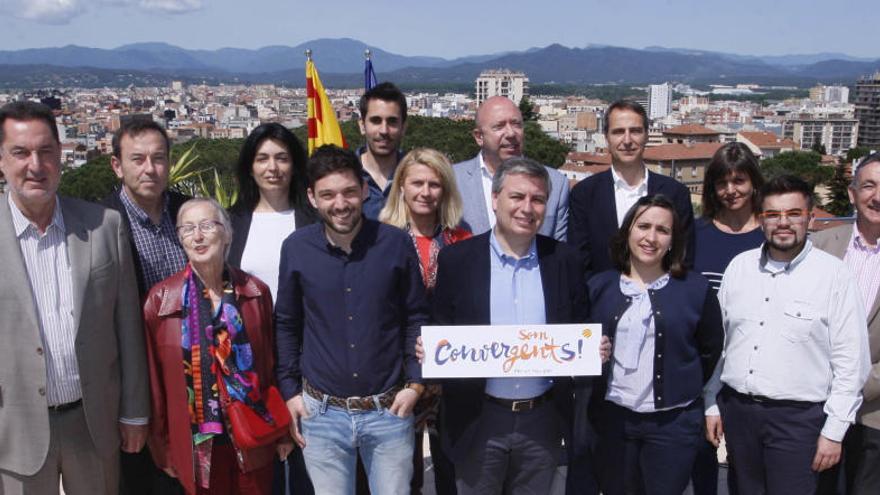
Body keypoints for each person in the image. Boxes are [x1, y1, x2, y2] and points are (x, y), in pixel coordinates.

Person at [430, 157, 609, 494]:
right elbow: (442, 327)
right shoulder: (457, 261)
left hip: (542, 420)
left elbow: (580, 325)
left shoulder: (565, 260)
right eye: (517, 197)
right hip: (478, 418)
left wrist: (596, 346)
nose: (527, 208)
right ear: (495, 200)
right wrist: (431, 349)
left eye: (538, 199)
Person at [0, 101, 149, 494]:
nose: (35, 164)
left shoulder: (104, 226)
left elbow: (128, 326)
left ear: (60, 156)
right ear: (1, 161)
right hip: (14, 429)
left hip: (92, 421)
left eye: (46, 151)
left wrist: (135, 412)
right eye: (20, 152)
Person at [275, 145, 429, 494]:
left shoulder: (395, 244)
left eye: (348, 192)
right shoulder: (296, 248)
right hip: (322, 413)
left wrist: (415, 384)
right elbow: (286, 323)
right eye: (328, 195)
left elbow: (416, 315)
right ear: (312, 197)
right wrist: (289, 392)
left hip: (389, 411)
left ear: (363, 189)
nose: (340, 204)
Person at [705, 175, 871, 494]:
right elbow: (720, 346)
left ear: (809, 217)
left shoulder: (834, 276)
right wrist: (711, 402)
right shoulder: (739, 268)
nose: (783, 223)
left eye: (793, 213)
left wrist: (834, 431)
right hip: (739, 415)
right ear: (760, 219)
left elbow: (852, 363)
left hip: (800, 423)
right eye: (773, 215)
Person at [143, 198, 287, 495]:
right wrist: (162, 446)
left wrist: (281, 431)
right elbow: (155, 384)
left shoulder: (255, 292)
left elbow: (271, 365)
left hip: (253, 432)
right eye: (188, 229)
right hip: (197, 441)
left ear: (227, 234)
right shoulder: (160, 301)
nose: (197, 236)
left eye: (207, 226)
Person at [589, 194, 723, 495]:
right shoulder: (599, 286)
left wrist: (682, 381)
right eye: (643, 226)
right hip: (613, 421)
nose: (651, 237)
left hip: (672, 426)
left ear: (674, 240)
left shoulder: (695, 288)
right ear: (628, 232)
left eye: (662, 230)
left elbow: (710, 348)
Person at [379, 147, 470, 494]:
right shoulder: (379, 238)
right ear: (401, 186)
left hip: (451, 370)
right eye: (417, 182)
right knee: (404, 468)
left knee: (450, 464)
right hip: (399, 368)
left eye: (435, 184)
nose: (426, 192)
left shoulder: (461, 239)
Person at [691, 142, 765, 494]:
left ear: (754, 183)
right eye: (722, 182)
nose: (731, 190)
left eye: (739, 180)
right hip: (702, 367)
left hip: (753, 370)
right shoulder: (695, 234)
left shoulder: (771, 236)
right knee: (702, 465)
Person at [813, 151, 880, 495]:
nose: (878, 196)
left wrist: (855, 385)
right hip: (817, 406)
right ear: (853, 194)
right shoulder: (819, 246)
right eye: (869, 185)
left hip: (873, 413)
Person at [567, 99, 695, 275]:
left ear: (647, 136)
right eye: (618, 132)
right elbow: (578, 260)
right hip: (600, 299)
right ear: (606, 138)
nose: (627, 140)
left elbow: (683, 257)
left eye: (635, 131)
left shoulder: (675, 193)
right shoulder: (584, 194)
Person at [453, 96, 569, 240]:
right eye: (499, 126)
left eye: (516, 124)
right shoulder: (452, 180)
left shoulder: (556, 183)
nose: (511, 133)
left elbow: (560, 252)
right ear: (479, 137)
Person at [228, 122, 316, 301]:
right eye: (262, 159)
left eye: (282, 158)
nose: (272, 168)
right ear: (250, 169)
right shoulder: (230, 223)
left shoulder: (315, 220)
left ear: (294, 166)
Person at [357, 81, 408, 220]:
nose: (384, 130)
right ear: (362, 126)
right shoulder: (344, 174)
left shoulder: (416, 175)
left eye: (392, 121)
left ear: (403, 127)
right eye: (376, 121)